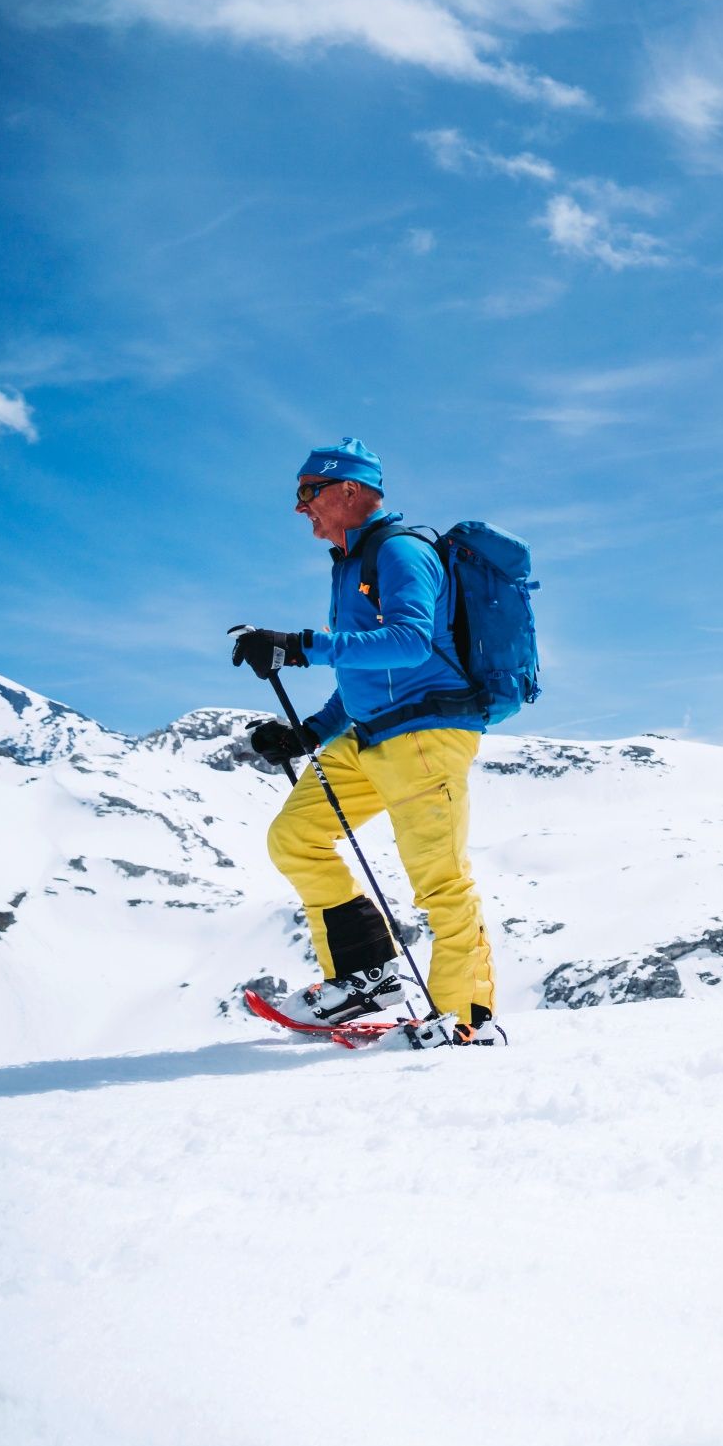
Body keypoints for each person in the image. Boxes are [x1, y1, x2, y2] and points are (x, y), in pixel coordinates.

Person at [230, 437, 496, 1047]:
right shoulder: (349, 565)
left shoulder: (401, 552)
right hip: (369, 735)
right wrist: (309, 733)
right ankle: (364, 976)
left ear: (350, 490)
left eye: (309, 492)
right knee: (295, 837)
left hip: (424, 734)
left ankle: (464, 1021)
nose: (302, 508)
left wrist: (302, 646)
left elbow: (410, 642)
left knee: (440, 881)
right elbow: (362, 675)